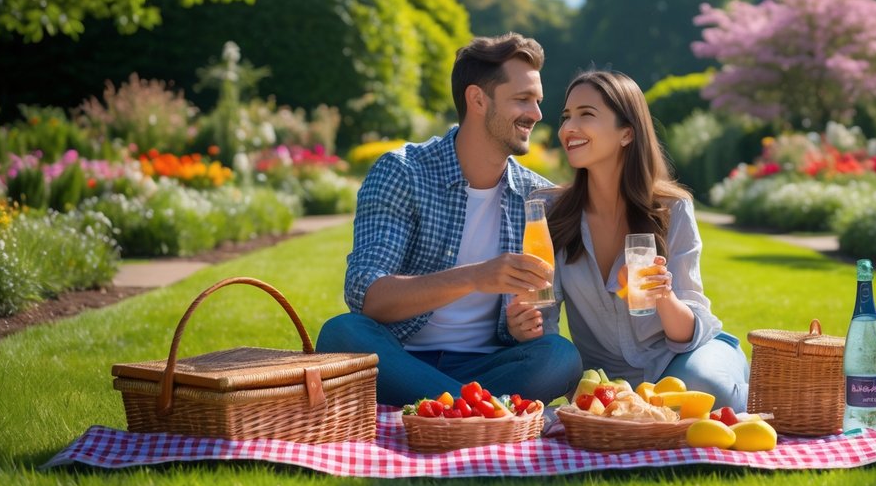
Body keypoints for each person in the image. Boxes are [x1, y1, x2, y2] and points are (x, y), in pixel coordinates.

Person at [316, 33, 582, 406]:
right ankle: (483, 410)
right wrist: (475, 276)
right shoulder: (403, 172)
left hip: (489, 367)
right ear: (477, 99)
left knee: (559, 356)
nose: (537, 114)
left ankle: (454, 408)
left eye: (537, 101)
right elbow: (367, 297)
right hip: (401, 358)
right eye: (522, 99)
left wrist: (526, 331)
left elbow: (540, 323)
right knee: (342, 333)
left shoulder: (536, 198)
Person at [540, 69, 750, 411]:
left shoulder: (671, 208)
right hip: (605, 378)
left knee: (705, 389)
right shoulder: (553, 212)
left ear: (626, 134)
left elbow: (689, 330)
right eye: (566, 117)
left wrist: (664, 297)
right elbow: (545, 321)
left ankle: (744, 384)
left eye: (586, 115)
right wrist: (525, 325)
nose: (568, 129)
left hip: (681, 359)